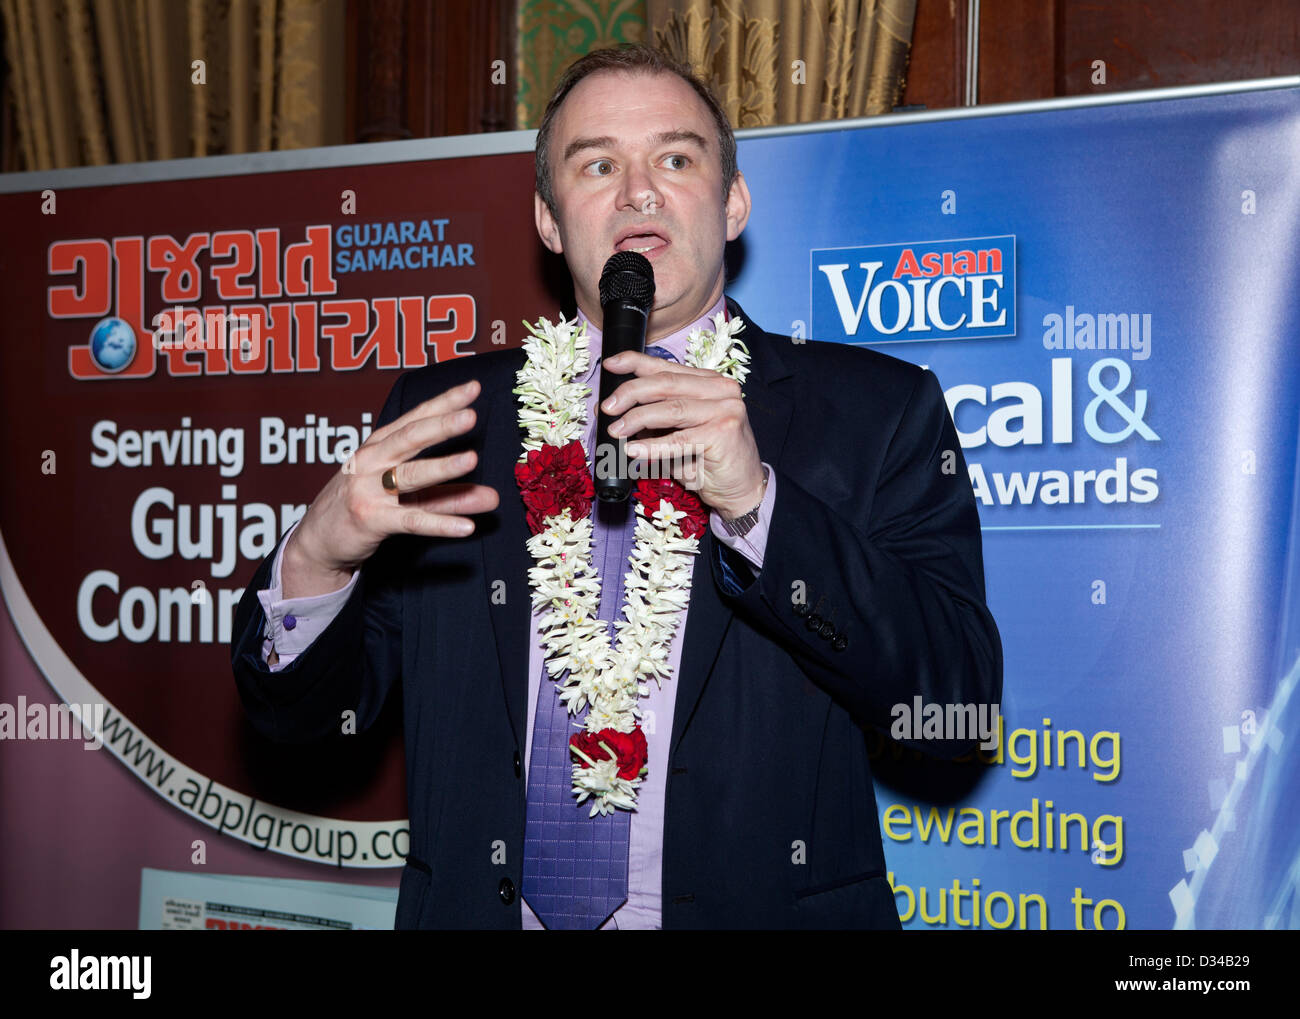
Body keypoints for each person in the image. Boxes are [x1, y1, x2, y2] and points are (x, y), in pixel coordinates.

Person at [230, 43, 1002, 929]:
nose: (640, 191)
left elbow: (954, 711)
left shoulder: (875, 413)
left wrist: (759, 505)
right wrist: (318, 557)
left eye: (676, 158)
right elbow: (302, 725)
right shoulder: (446, 417)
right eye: (597, 164)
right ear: (550, 220)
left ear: (734, 201)